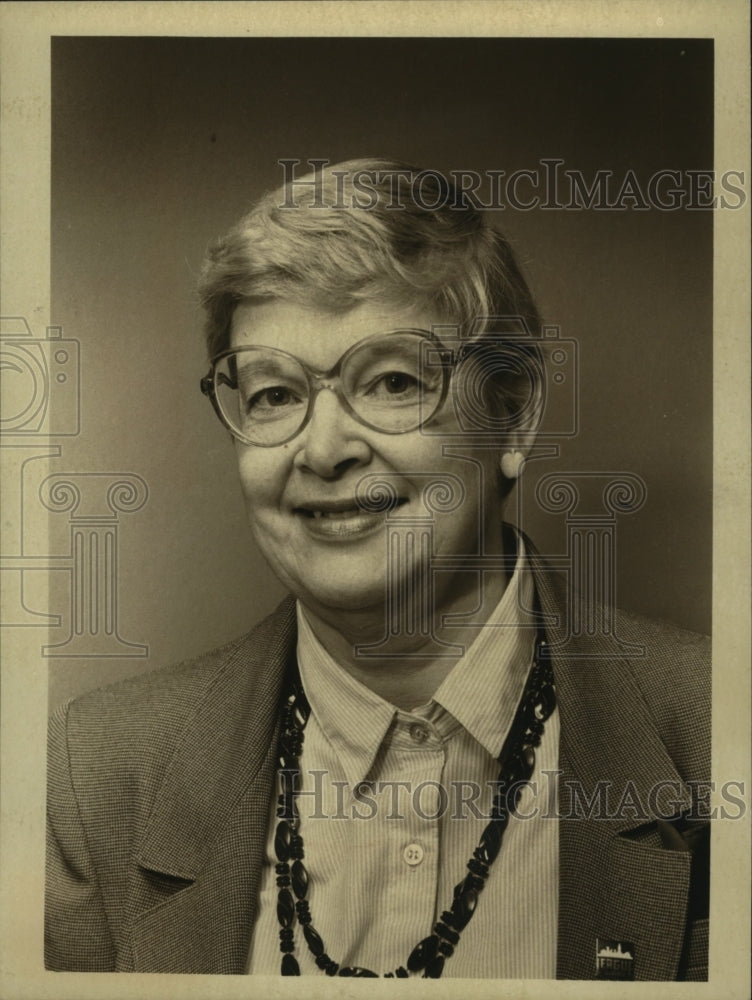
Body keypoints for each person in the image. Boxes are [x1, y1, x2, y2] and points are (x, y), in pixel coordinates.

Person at [45, 159, 710, 980]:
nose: (323, 449)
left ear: (512, 413)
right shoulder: (103, 775)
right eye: (274, 395)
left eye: (393, 380)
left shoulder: (722, 738)